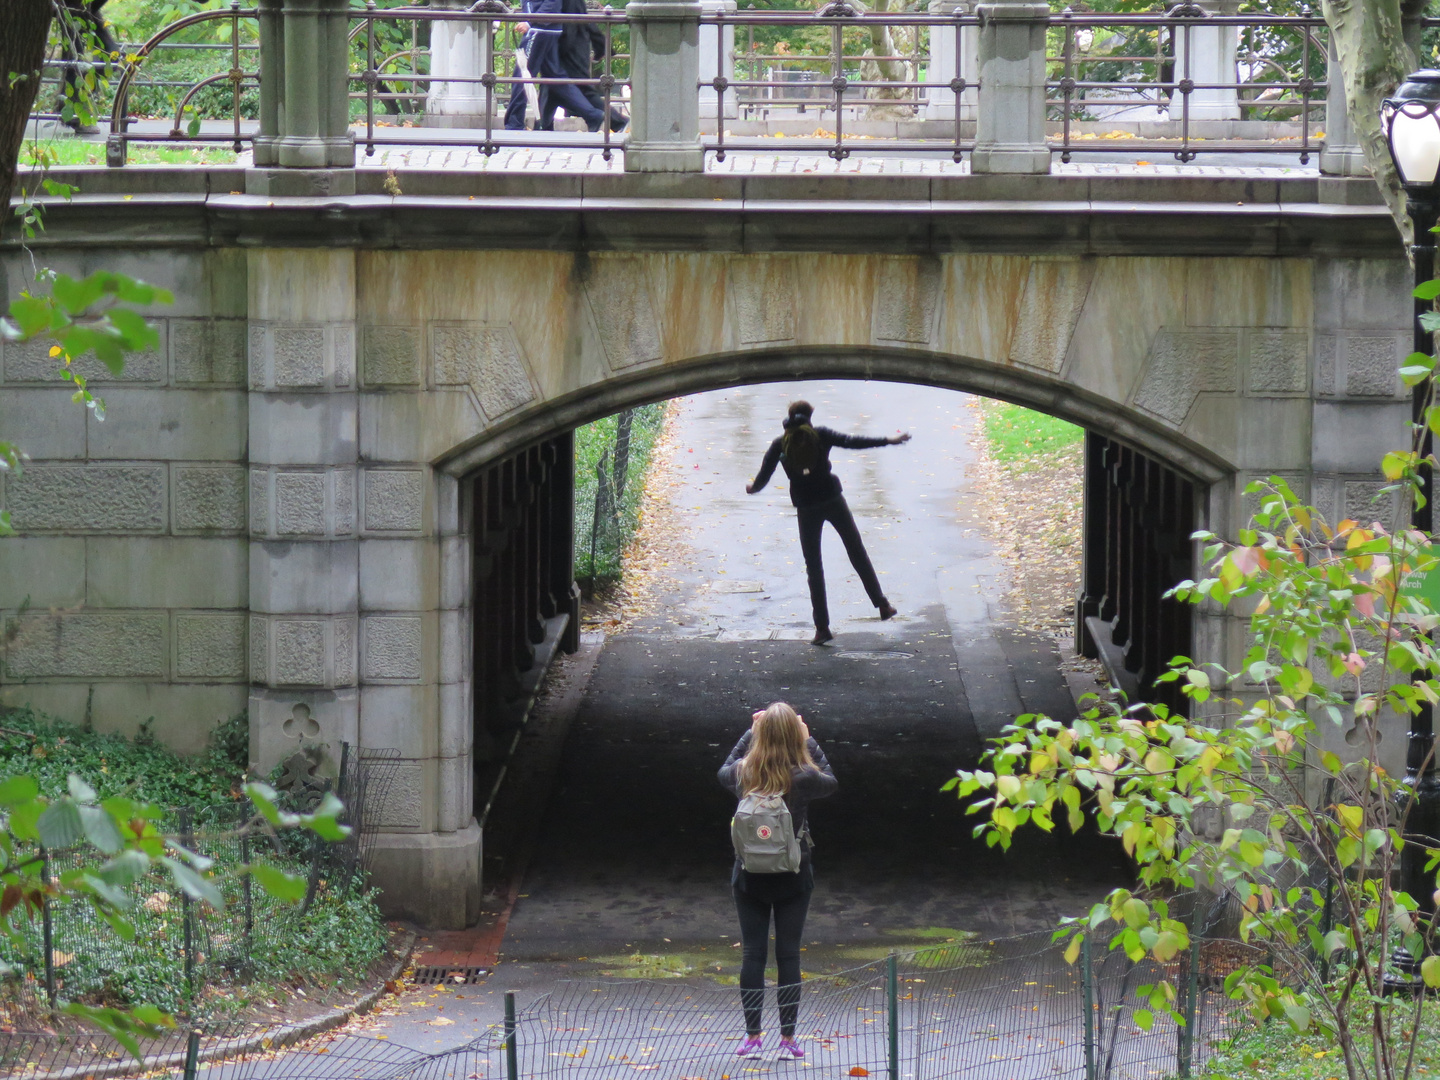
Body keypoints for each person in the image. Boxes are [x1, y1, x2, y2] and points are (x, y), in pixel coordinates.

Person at [717, 702, 837, 1060]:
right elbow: (831, 779)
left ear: (762, 735)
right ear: (793, 735)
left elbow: (722, 768)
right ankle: (788, 1040)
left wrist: (749, 733)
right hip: (794, 874)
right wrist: (809, 738)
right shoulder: (804, 777)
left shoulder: (743, 773)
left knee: (753, 954)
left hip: (749, 874)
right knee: (788, 955)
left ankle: (752, 1037)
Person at [746, 400, 911, 646]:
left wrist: (753, 488)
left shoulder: (780, 444)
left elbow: (764, 475)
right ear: (810, 416)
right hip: (833, 500)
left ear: (788, 417)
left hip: (806, 507)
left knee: (814, 567)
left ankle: (822, 628)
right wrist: (888, 440)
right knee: (856, 551)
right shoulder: (821, 435)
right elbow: (852, 441)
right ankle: (883, 605)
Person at [502, 0, 608, 131]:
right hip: (546, 28)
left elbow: (553, 2)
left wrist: (530, 22)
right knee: (556, 78)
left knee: (522, 75)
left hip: (539, 29)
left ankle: (514, 123)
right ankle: (592, 115)